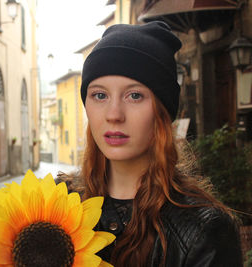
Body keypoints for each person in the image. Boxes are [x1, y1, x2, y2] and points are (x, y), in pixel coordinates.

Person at [65, 21, 243, 267]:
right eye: (100, 95)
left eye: (134, 95)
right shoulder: (60, 204)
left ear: (162, 111)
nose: (113, 114)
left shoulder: (204, 232)